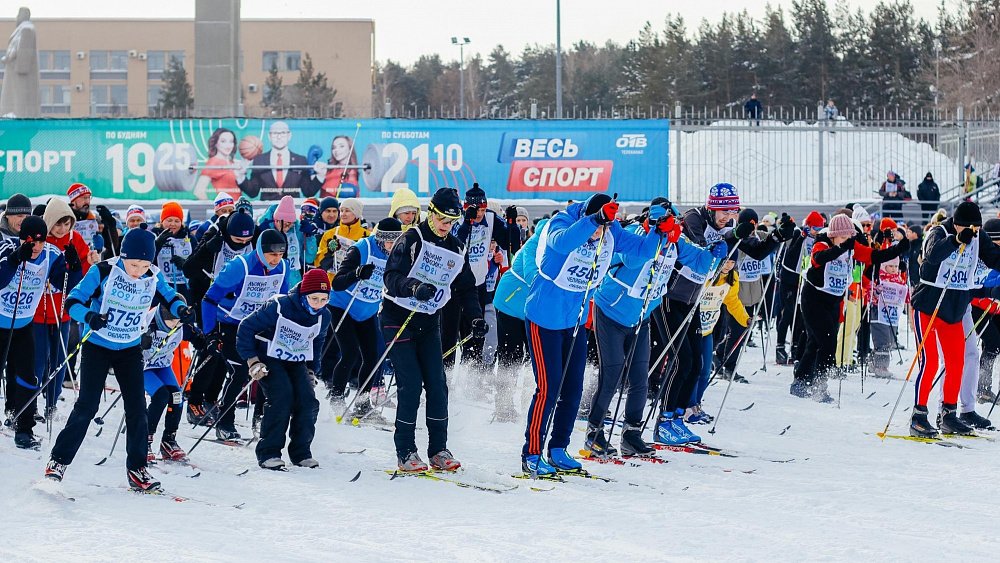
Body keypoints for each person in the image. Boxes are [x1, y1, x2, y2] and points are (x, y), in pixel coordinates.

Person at [520, 193, 663, 476]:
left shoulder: (611, 230)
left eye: (604, 228)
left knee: (573, 390)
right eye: (598, 226)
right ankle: (531, 453)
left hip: (573, 321)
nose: (600, 233)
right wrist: (594, 220)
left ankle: (559, 448)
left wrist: (660, 232)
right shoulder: (563, 221)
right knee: (548, 389)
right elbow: (563, 242)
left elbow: (642, 250)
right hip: (544, 317)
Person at [45, 226, 193, 491]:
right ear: (123, 257)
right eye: (133, 264)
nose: (138, 271)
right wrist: (89, 317)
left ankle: (137, 469)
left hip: (129, 348)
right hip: (98, 346)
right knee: (87, 407)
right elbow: (73, 301)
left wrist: (181, 309)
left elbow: (170, 297)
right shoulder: (102, 271)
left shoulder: (153, 276)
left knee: (137, 409)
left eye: (144, 265)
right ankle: (58, 462)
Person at [584, 201, 714, 456]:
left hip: (639, 317)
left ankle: (631, 434)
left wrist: (716, 251)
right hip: (610, 312)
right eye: (667, 223)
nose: (673, 229)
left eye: (674, 224)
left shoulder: (675, 243)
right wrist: (656, 234)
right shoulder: (635, 234)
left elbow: (700, 263)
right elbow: (632, 260)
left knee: (640, 378)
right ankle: (594, 432)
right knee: (611, 375)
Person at [381, 187, 485, 472]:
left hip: (428, 322)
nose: (445, 226)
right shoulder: (411, 238)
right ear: (430, 212)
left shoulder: (455, 247)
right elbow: (391, 277)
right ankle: (405, 451)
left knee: (438, 386)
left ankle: (438, 450)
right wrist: (414, 287)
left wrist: (475, 317)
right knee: (411, 384)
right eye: (441, 219)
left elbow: (467, 288)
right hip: (397, 317)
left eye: (451, 222)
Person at [791, 214, 908, 400]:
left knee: (816, 342)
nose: (847, 241)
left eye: (848, 237)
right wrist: (840, 247)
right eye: (843, 237)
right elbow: (818, 259)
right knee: (826, 343)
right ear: (834, 235)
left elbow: (873, 256)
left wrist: (897, 250)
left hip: (834, 300)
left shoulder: (850, 246)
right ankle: (819, 384)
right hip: (814, 298)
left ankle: (803, 379)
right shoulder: (822, 243)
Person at [910, 202, 1000, 437]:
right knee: (929, 361)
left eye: (976, 228)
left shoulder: (978, 237)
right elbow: (932, 255)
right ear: (957, 224)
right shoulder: (939, 232)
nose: (973, 232)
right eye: (969, 228)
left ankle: (948, 414)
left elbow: (995, 258)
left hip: (954, 310)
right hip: (929, 306)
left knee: (956, 362)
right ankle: (918, 415)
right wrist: (956, 240)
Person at [193, 229, 289, 438]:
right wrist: (210, 333)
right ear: (261, 251)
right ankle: (224, 423)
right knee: (241, 372)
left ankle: (261, 421)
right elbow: (209, 299)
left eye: (280, 254)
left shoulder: (283, 267)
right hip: (230, 324)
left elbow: (281, 301)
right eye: (272, 254)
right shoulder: (239, 266)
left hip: (259, 325)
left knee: (267, 370)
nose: (276, 259)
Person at [237, 268, 331, 470]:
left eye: (324, 300)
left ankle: (301, 452)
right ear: (304, 295)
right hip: (268, 357)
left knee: (308, 400)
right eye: (315, 299)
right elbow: (245, 328)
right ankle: (268, 453)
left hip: (295, 360)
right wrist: (252, 361)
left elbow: (317, 341)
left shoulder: (324, 316)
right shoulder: (280, 306)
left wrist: (312, 369)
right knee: (282, 396)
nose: (319, 305)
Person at [0, 216, 81, 449]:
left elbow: (63, 284)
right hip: (1, 323)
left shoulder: (51, 254)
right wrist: (16, 259)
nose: (36, 247)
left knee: (27, 377)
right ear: (21, 238)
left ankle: (24, 429)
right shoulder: (8, 248)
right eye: (30, 241)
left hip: (23, 325)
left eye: (40, 241)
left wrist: (73, 268)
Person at [326, 217, 403, 419]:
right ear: (381, 238)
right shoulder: (361, 249)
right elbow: (338, 283)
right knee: (350, 352)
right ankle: (337, 398)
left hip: (367, 310)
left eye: (396, 242)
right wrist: (357, 273)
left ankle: (361, 404)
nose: (393, 246)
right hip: (343, 306)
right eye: (389, 242)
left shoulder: (398, 254)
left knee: (372, 358)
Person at [34, 198, 99, 421]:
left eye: (67, 224)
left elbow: (83, 277)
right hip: (39, 313)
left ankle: (52, 402)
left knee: (60, 359)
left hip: (62, 312)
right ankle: (32, 403)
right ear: (49, 222)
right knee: (39, 361)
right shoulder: (42, 240)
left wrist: (90, 262)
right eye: (58, 224)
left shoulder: (75, 238)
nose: (62, 229)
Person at [775, 211, 825, 365]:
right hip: (790, 278)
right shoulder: (798, 233)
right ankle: (780, 346)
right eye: (815, 227)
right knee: (789, 313)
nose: (817, 231)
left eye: (820, 228)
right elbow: (790, 254)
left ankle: (796, 346)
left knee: (801, 316)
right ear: (808, 226)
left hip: (804, 280)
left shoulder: (818, 240)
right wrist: (802, 236)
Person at [140, 303, 188, 463]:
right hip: (144, 367)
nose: (175, 325)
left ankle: (169, 440)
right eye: (172, 322)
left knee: (176, 397)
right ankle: (144, 440)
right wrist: (140, 343)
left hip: (162, 365)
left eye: (178, 322)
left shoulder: (179, 322)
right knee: (161, 396)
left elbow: (193, 333)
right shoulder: (148, 320)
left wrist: (205, 339)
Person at [243, 121, 324, 200]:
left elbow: (308, 192)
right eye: (275, 133)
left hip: (293, 209)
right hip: (267, 210)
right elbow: (253, 192)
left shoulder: (301, 160)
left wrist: (320, 176)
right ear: (269, 136)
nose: (279, 137)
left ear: (289, 135)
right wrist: (240, 176)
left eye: (283, 133)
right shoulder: (259, 160)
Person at [869, 257, 908, 377]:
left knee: (890, 339)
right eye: (890, 266)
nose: (893, 269)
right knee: (883, 339)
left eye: (896, 267)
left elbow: (903, 296)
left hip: (892, 315)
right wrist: (876, 292)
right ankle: (881, 366)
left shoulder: (899, 280)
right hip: (879, 313)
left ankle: (873, 362)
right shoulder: (879, 278)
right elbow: (869, 294)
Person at [153, 202, 193, 301]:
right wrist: (157, 244)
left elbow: (197, 261)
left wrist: (186, 264)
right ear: (162, 221)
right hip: (161, 287)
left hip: (185, 287)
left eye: (177, 221)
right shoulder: (154, 236)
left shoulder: (189, 237)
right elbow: (147, 261)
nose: (173, 224)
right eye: (169, 220)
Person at [194, 127, 247, 201]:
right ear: (215, 143)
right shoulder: (213, 162)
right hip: (227, 209)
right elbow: (198, 191)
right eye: (223, 141)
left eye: (231, 141)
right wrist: (217, 209)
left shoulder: (234, 162)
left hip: (238, 207)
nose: (228, 145)